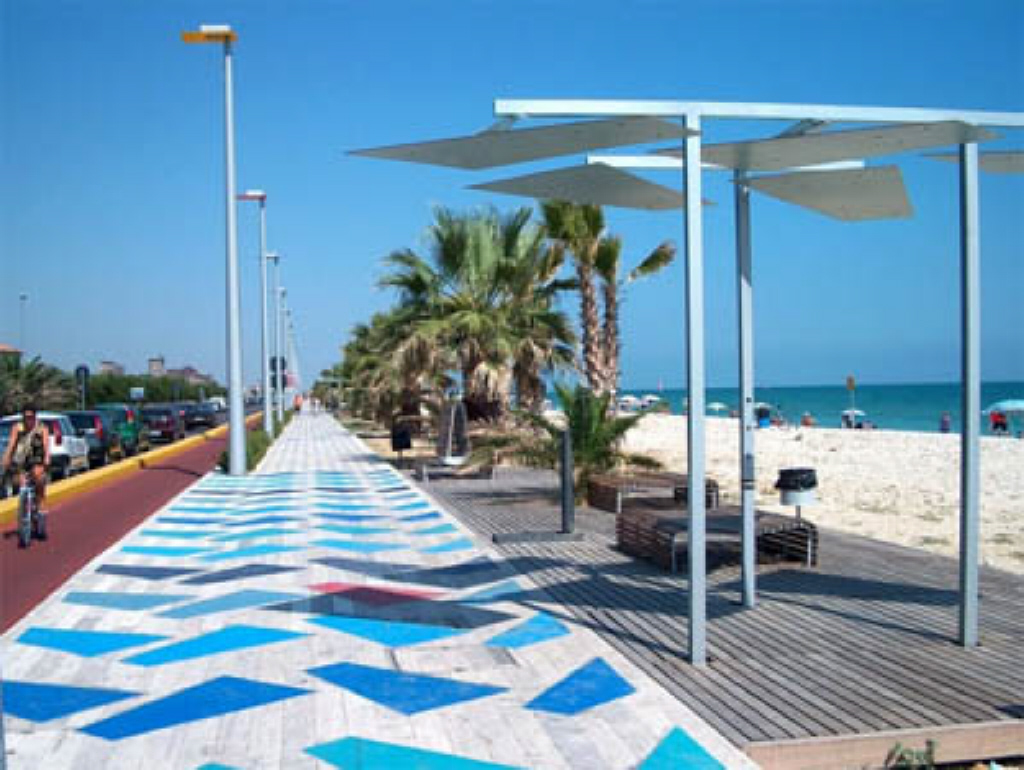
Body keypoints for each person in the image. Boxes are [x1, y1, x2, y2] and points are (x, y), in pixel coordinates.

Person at [2, 403, 51, 538]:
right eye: (25, 417)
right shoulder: (17, 428)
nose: (28, 420)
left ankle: (40, 512)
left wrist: (47, 458)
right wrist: (6, 458)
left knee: (38, 478)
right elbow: (11, 444)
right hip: (21, 459)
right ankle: (24, 512)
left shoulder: (42, 428)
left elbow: (46, 445)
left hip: (37, 458)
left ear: (35, 416)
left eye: (30, 417)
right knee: (20, 482)